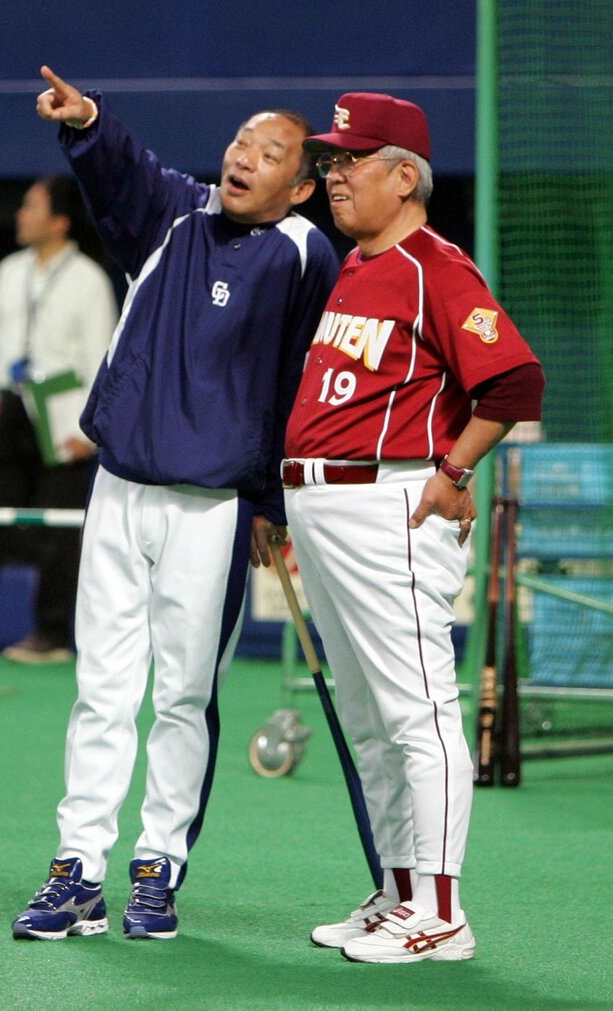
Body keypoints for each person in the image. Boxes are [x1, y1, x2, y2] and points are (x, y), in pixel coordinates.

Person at [10, 68, 339, 941]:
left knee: (184, 696)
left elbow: (297, 385)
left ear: (299, 184)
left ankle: (156, 870)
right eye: (240, 140)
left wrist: (272, 501)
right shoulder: (173, 216)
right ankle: (76, 871)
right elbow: (122, 166)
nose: (243, 158)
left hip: (215, 509)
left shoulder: (306, 255)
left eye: (268, 154)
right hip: (119, 488)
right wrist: (85, 121)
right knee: (101, 689)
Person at [281, 93, 544, 964]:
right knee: (365, 716)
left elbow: (512, 383)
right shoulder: (358, 264)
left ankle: (440, 909)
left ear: (405, 174)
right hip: (327, 506)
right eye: (328, 162)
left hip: (387, 503)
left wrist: (453, 470)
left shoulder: (436, 266)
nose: (332, 175)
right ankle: (398, 892)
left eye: (349, 161)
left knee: (417, 710)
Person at [0, 174, 119, 663]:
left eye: (30, 207)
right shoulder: (10, 270)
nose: (20, 215)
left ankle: (51, 635)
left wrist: (87, 434)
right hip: (14, 410)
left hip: (63, 419)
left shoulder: (88, 280)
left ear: (59, 221)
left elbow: (103, 358)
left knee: (60, 530)